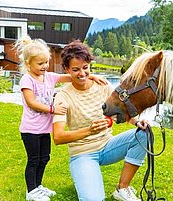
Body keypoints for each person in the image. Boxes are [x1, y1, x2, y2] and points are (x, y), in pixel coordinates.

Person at [52, 40, 148, 201]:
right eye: (75, 70)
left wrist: (137, 121)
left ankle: (122, 188)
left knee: (144, 133)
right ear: (66, 69)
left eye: (85, 68)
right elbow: (58, 137)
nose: (82, 74)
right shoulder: (63, 97)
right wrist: (89, 131)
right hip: (82, 154)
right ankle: (84, 177)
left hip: (108, 146)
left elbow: (122, 110)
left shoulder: (102, 84)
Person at [15, 36, 106, 201]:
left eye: (46, 62)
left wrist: (91, 76)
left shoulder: (48, 77)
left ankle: (38, 186)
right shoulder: (27, 80)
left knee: (45, 158)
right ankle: (31, 191)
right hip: (30, 130)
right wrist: (53, 109)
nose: (44, 66)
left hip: (44, 129)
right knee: (34, 160)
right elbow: (31, 102)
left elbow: (71, 76)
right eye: (40, 64)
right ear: (28, 64)